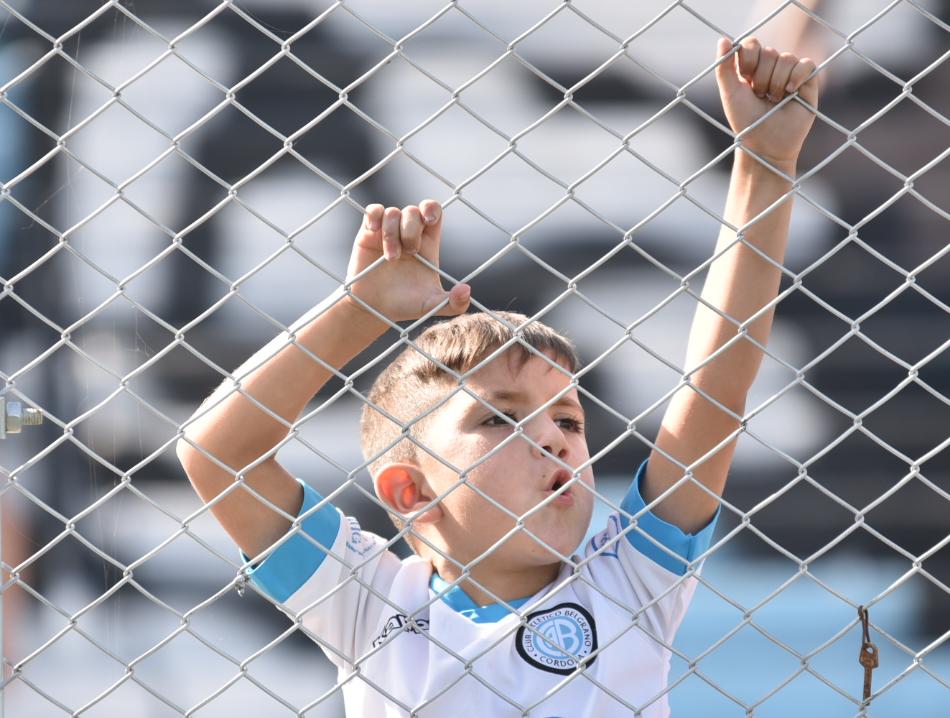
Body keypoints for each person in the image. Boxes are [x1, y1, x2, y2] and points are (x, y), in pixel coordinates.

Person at [176, 37, 818, 717]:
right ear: (411, 490)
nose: (554, 437)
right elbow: (218, 455)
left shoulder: (631, 582)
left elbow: (714, 391)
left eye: (568, 419)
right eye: (500, 417)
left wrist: (765, 167)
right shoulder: (366, 604)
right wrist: (357, 313)